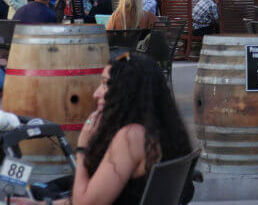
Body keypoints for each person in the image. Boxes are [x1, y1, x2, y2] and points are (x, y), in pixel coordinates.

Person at [74, 52, 193, 205]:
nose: (96, 94)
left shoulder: (131, 137)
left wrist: (82, 148)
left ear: (127, 91)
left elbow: (84, 203)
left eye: (105, 84)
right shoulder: (161, 130)